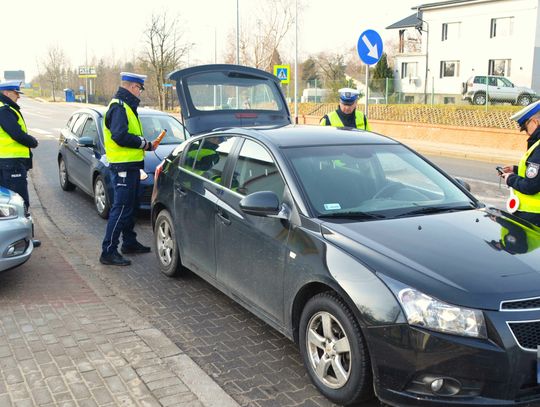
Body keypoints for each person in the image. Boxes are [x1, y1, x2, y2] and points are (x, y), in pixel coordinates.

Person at [100, 72, 155, 266]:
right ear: (132, 87)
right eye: (139, 89)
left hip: (130, 166)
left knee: (129, 207)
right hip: (122, 167)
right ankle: (108, 251)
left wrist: (145, 145)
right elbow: (119, 136)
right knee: (121, 208)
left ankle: (129, 243)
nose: (140, 92)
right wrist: (144, 144)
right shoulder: (118, 106)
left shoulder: (126, 107)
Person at [500, 100, 540, 227]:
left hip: (533, 216)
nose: (527, 133)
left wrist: (510, 179)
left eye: (526, 128)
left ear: (535, 122)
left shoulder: (539, 148)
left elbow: (531, 186)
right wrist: (516, 170)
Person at [0, 81, 39, 211]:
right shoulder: (4, 110)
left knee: (7, 203)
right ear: (6, 93)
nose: (19, 96)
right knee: (19, 203)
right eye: (16, 93)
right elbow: (16, 134)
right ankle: (22, 229)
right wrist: (33, 142)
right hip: (11, 164)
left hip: (7, 163)